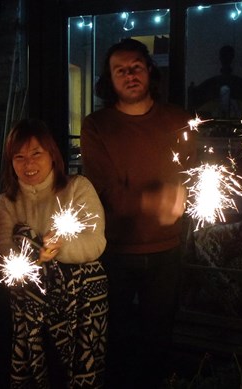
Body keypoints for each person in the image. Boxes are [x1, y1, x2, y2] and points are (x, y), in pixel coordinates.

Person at [80, 38, 197, 388]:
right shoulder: (97, 125)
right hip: (115, 250)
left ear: (149, 70)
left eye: (136, 67)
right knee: (114, 334)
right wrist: (152, 202)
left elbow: (190, 172)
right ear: (109, 79)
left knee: (159, 336)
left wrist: (187, 193)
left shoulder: (178, 119)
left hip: (167, 250)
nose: (130, 75)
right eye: (120, 70)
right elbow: (103, 188)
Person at [0, 118, 108, 388]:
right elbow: (2, 255)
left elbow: (95, 242)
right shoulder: (6, 203)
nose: (28, 164)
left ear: (52, 155)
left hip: (80, 308)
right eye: (18, 157)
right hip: (32, 310)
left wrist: (60, 248)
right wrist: (33, 258)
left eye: (36, 154)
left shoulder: (78, 188)